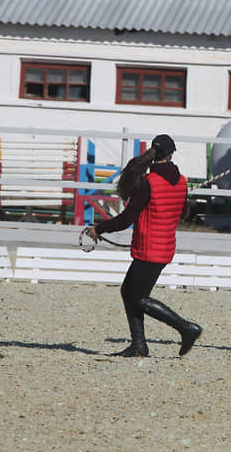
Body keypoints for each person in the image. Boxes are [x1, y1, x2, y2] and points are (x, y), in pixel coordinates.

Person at [85, 134, 202, 357]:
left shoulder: (149, 183)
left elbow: (126, 219)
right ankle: (139, 345)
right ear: (171, 154)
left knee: (138, 297)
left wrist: (99, 229)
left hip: (150, 247)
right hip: (165, 246)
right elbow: (184, 213)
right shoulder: (182, 182)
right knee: (128, 292)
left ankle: (186, 328)